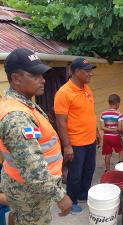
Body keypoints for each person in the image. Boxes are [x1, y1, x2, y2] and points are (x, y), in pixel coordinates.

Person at [0, 48, 72, 225]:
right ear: (16, 78)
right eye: (35, 75)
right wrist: (60, 196)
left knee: (17, 217)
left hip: (22, 188)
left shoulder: (22, 104)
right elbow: (34, 170)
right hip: (29, 193)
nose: (43, 80)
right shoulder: (17, 117)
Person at [54, 57, 100, 214]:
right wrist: (67, 146)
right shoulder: (64, 93)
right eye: (87, 71)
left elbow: (90, 113)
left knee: (89, 169)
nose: (90, 74)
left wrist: (97, 131)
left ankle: (83, 194)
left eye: (90, 71)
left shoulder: (87, 89)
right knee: (75, 173)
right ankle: (72, 199)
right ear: (75, 72)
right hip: (76, 143)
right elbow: (61, 122)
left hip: (90, 139)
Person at [100, 94, 123, 171]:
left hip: (106, 137)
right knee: (121, 151)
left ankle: (107, 171)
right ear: (117, 103)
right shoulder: (119, 114)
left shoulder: (103, 114)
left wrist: (109, 130)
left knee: (108, 154)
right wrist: (119, 132)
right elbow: (120, 128)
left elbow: (102, 127)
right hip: (115, 137)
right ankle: (120, 169)